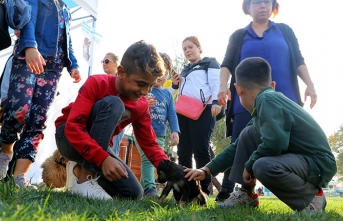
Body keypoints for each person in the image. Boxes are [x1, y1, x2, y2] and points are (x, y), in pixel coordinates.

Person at [185, 57, 337, 212]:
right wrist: (206, 170)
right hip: (308, 162)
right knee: (248, 134)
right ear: (272, 85)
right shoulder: (266, 104)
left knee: (262, 166)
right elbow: (236, 148)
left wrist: (250, 165)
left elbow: (276, 142)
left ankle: (312, 199)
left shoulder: (267, 99)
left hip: (316, 164)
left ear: (238, 89)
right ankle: (246, 195)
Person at [216, 0, 317, 201]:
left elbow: (298, 59)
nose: (262, 5)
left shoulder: (285, 31)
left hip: (285, 99)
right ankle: (245, 193)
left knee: (292, 144)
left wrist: (310, 85)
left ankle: (309, 190)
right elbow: (226, 63)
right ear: (248, 7)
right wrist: (222, 85)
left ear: (273, 6)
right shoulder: (239, 35)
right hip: (246, 101)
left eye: (266, 2)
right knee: (243, 142)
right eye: (256, 2)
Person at [55, 40, 170, 200]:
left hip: (98, 148)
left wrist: (171, 169)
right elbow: (73, 127)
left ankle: (77, 173)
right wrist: (103, 159)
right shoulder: (96, 82)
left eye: (150, 86)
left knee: (133, 193)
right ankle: (84, 181)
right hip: (68, 139)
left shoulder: (142, 104)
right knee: (115, 104)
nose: (145, 92)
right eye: (141, 84)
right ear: (121, 72)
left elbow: (149, 143)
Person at [0, 0, 81, 188]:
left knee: (39, 119)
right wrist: (29, 46)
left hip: (53, 67)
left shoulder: (65, 9)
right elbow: (28, 19)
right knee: (18, 109)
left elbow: (67, 40)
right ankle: (5, 152)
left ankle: (20, 176)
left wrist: (73, 64)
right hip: (28, 57)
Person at [171, 36, 222, 196]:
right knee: (183, 151)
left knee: (201, 148)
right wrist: (174, 83)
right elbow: (174, 93)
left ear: (199, 48)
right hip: (183, 112)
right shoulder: (184, 70)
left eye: (190, 47)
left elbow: (216, 84)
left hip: (204, 109)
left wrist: (216, 102)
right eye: (184, 49)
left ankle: (204, 190)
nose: (187, 51)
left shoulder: (209, 63)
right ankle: (186, 190)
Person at [136, 52, 180, 198]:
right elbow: (132, 106)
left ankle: (149, 187)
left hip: (159, 135)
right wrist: (143, 104)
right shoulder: (144, 89)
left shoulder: (167, 95)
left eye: (164, 72)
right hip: (143, 132)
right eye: (157, 70)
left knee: (157, 161)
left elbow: (172, 114)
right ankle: (149, 188)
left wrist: (175, 131)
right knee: (147, 160)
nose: (160, 75)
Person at [100, 52, 126, 156]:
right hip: (101, 120)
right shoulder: (100, 80)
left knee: (112, 151)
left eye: (107, 61)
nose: (104, 64)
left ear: (116, 64)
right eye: (103, 61)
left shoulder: (123, 82)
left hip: (117, 122)